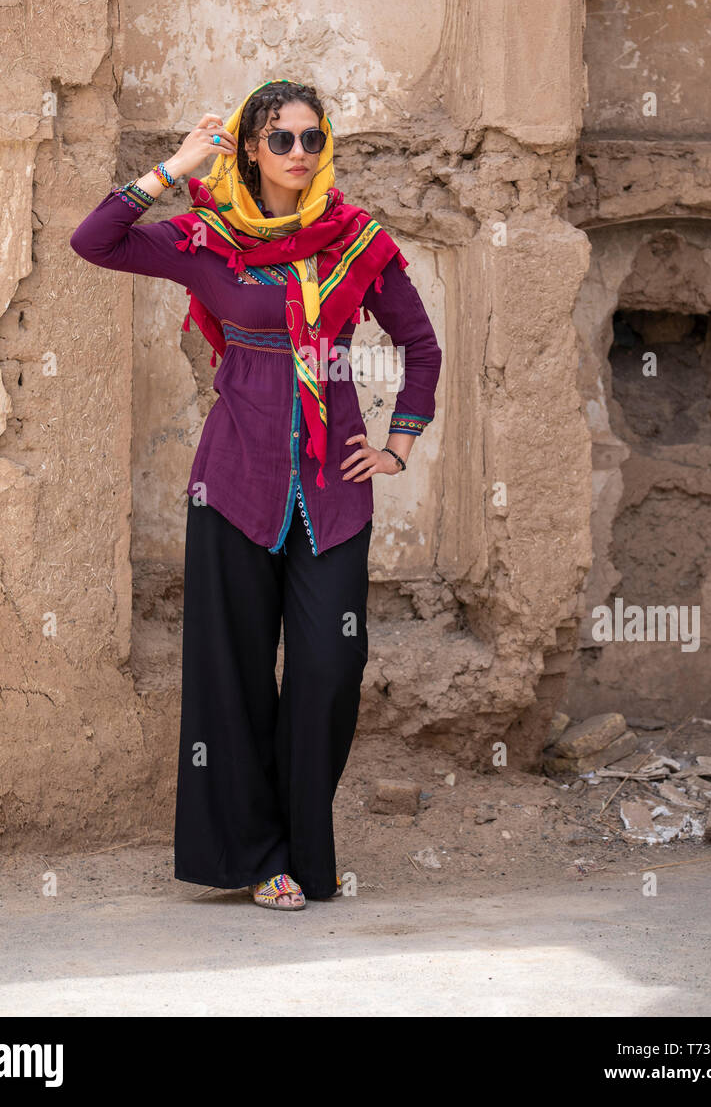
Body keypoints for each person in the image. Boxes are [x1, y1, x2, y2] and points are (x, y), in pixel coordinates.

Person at [70, 78, 442, 910]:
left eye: (313, 139)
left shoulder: (353, 241)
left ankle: (310, 852)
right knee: (232, 674)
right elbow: (94, 240)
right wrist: (172, 167)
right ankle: (261, 859)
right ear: (249, 148)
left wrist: (398, 443)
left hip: (331, 490)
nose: (301, 155)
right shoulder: (206, 239)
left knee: (328, 666)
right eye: (281, 140)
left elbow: (420, 345)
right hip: (233, 481)